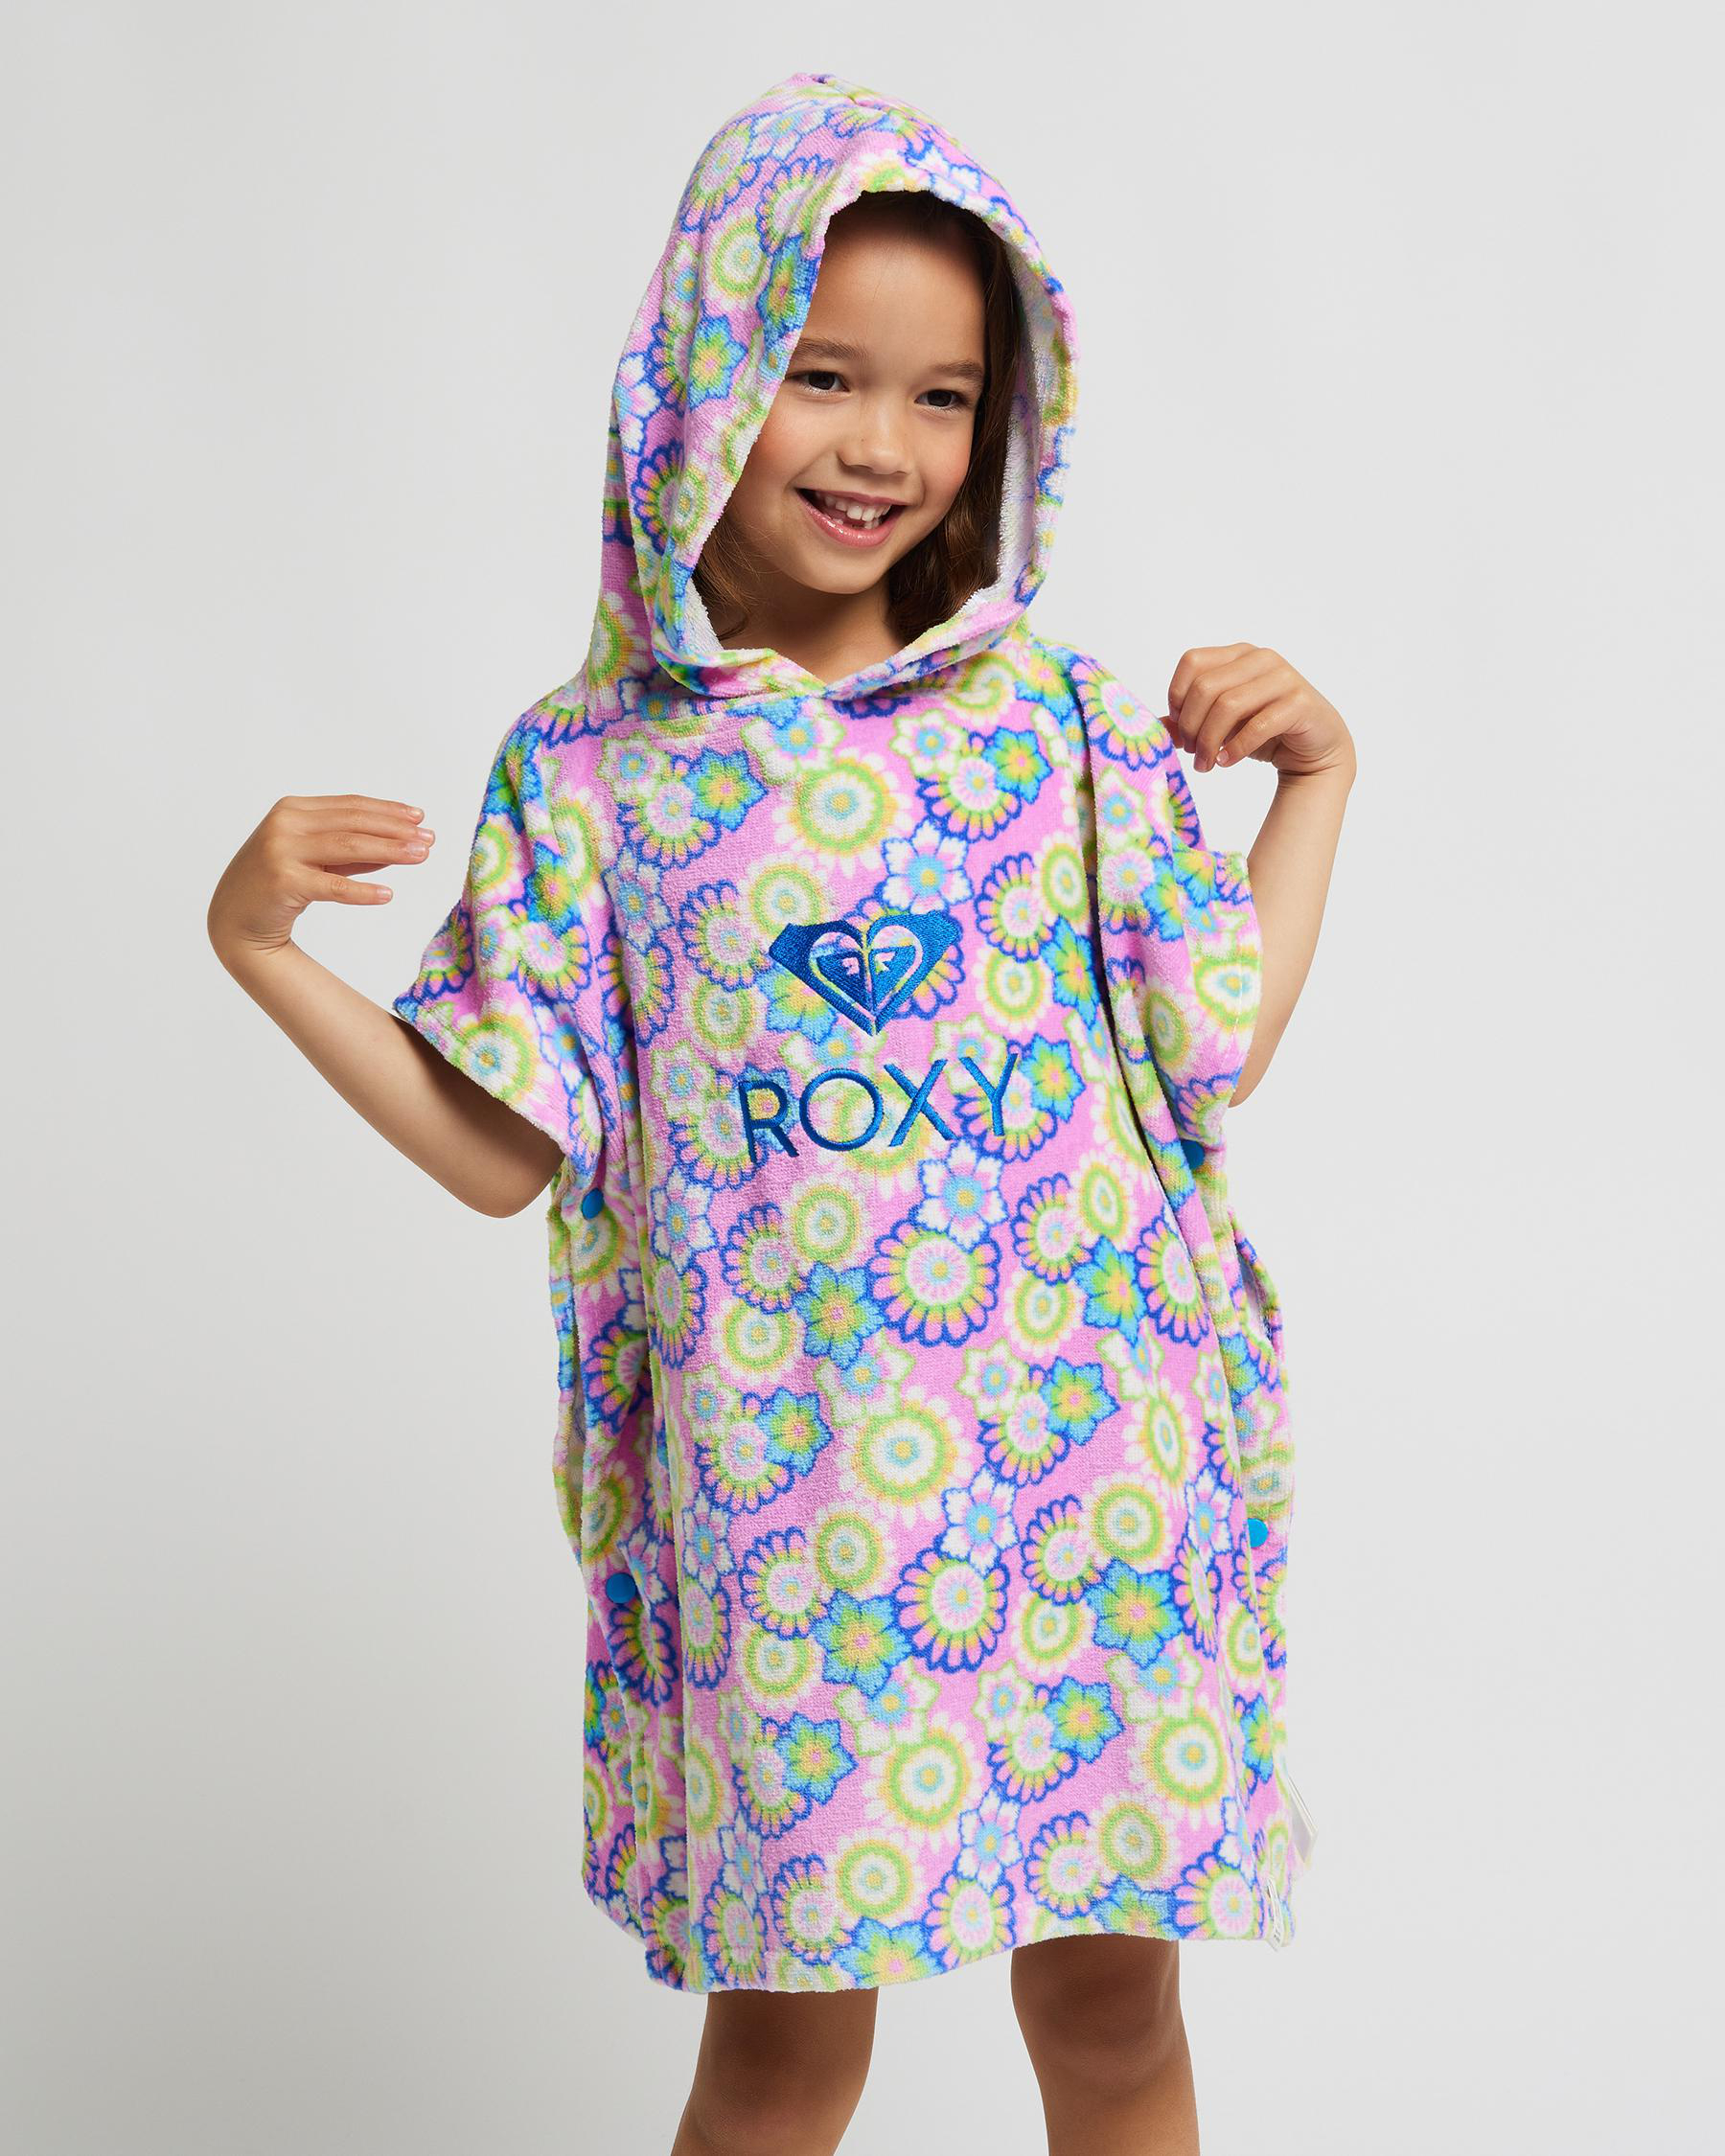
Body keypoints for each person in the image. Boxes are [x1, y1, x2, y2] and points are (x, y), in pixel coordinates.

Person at [209, 69, 1353, 2156]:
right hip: (799, 1522)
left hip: (1096, 1480)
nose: (881, 447)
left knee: (1113, 2023)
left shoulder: (1060, 726)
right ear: (698, 375)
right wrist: (268, 952)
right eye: (821, 376)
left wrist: (1319, 786)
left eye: (944, 396)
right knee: (782, 2062)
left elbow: (1213, 1043)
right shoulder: (591, 775)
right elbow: (502, 1148)